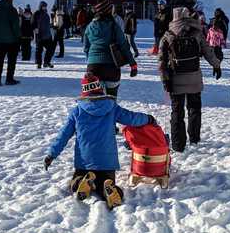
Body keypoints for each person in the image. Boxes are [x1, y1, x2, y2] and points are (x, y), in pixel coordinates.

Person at [44, 72, 156, 209]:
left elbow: (63, 135)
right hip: (107, 162)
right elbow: (131, 118)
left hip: (85, 162)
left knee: (74, 184)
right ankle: (110, 189)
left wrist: (52, 154)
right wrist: (148, 118)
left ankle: (80, 182)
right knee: (106, 183)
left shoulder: (77, 111)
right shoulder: (111, 107)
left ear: (84, 91)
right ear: (99, 88)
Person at [159, 7, 221, 151]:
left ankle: (178, 144)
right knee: (194, 108)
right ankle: (194, 138)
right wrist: (216, 65)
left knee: (177, 112)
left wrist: (164, 79)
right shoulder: (196, 33)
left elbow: (161, 60)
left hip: (175, 79)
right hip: (194, 77)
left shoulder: (168, 35)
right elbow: (208, 51)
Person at [84, 1, 138, 98]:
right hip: (111, 67)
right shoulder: (114, 26)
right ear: (109, 12)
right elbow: (124, 46)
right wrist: (132, 64)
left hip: (93, 68)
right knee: (111, 100)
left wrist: (90, 61)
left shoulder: (89, 27)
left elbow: (86, 48)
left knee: (92, 102)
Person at [0, 0, 21, 86]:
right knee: (11, 61)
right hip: (12, 41)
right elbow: (15, 26)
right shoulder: (12, 10)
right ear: (11, 0)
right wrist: (18, 37)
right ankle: (9, 79)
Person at [32, 1, 56, 69]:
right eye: (43, 6)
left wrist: (51, 28)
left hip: (47, 35)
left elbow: (48, 24)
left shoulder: (46, 14)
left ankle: (46, 62)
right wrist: (35, 28)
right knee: (39, 50)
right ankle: (39, 63)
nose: (45, 7)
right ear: (40, 6)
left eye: (45, 6)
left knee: (50, 49)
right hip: (39, 35)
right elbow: (32, 22)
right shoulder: (36, 13)